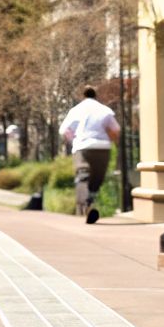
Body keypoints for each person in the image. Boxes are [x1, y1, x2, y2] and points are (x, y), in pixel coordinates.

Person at [60, 85, 121, 224]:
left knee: (82, 176)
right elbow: (116, 129)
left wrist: (73, 140)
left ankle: (85, 206)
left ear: (83, 95)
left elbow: (63, 130)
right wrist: (108, 138)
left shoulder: (75, 110)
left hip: (82, 147)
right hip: (102, 147)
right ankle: (90, 200)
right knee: (97, 178)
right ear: (96, 95)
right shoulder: (104, 110)